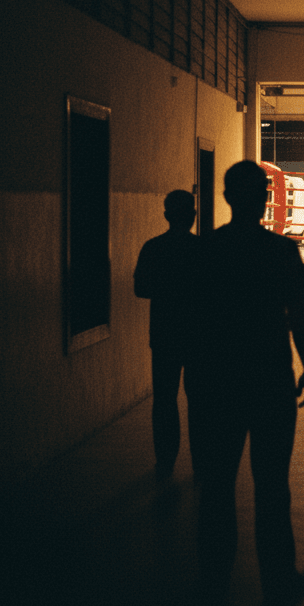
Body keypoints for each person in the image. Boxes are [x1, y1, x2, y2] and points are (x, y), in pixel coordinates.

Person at [190, 161, 304, 606]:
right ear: (265, 197)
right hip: (269, 378)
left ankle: (212, 585)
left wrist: (197, 378)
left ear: (226, 197)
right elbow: (300, 314)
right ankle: (279, 579)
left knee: (218, 486)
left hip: (220, 381)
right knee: (271, 486)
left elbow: (194, 320)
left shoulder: (206, 251)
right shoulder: (279, 251)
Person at [133, 189, 200, 479]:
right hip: (199, 337)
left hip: (164, 334)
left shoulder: (152, 248)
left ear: (166, 216)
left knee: (164, 400)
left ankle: (165, 463)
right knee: (199, 402)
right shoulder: (204, 249)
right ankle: (201, 465)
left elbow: (140, 289)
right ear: (194, 216)